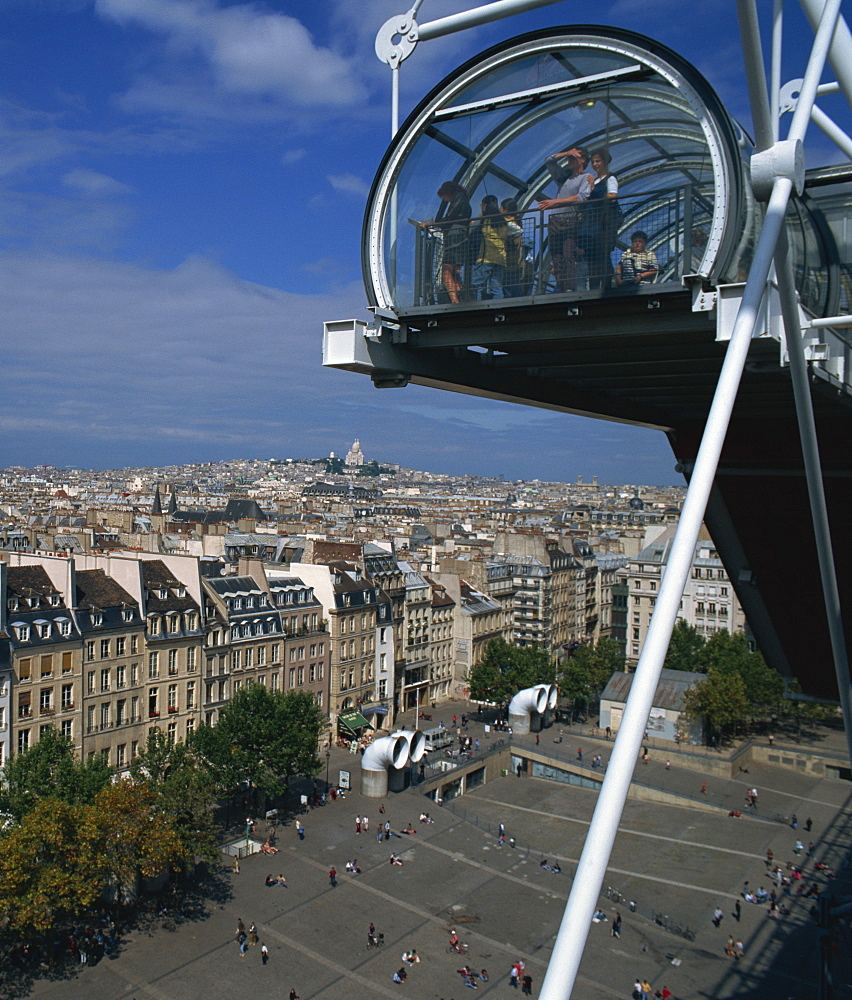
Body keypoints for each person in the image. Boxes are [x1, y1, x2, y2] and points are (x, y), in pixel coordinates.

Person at [537, 146, 592, 291]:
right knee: (556, 257)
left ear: (583, 160)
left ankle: (568, 288)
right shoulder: (564, 177)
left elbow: (582, 197)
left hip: (570, 221)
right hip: (556, 221)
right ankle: (561, 287)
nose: (570, 160)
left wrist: (554, 202)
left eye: (574, 157)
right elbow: (548, 161)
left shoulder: (585, 177)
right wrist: (567, 152)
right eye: (569, 158)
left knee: (568, 255)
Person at [580, 148, 621, 289]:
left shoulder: (610, 178)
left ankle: (606, 285)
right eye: (593, 162)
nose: (595, 164)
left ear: (605, 162)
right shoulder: (596, 180)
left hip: (602, 223)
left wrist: (597, 199)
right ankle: (594, 285)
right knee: (592, 256)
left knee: (602, 254)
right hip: (592, 222)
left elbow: (612, 196)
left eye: (598, 161)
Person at [431, 181, 471, 304]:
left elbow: (450, 217)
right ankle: (460, 296)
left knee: (446, 271)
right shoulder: (464, 200)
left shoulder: (459, 201)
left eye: (445, 196)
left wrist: (433, 225)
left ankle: (454, 300)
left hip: (454, 239)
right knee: (455, 271)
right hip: (460, 237)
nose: (445, 200)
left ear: (449, 193)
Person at [471, 195, 508, 299]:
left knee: (477, 285)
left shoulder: (484, 219)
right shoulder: (504, 221)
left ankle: (476, 308)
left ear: (485, 205)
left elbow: (472, 228)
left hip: (485, 257)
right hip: (500, 258)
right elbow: (518, 231)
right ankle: (498, 308)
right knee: (496, 286)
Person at [500, 198, 525, 297]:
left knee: (508, 285)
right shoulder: (517, 222)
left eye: (501, 208)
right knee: (513, 284)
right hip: (516, 261)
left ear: (505, 209)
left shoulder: (509, 224)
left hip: (509, 261)